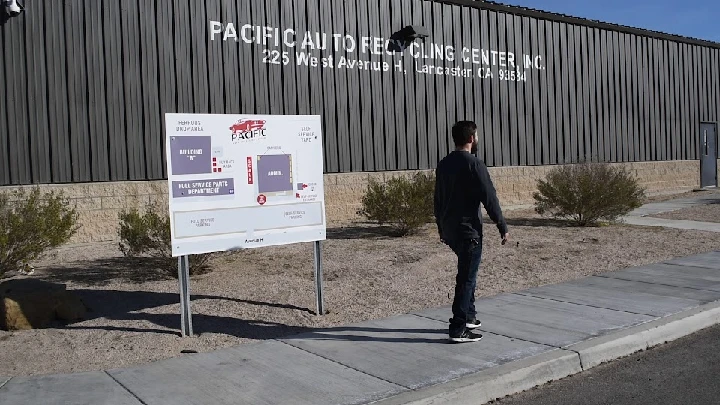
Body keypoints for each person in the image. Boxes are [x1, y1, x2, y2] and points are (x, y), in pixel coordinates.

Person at [434, 120, 509, 343]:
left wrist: (440, 226)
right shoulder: (474, 164)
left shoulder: (444, 163)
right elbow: (489, 197)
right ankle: (458, 328)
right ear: (471, 139)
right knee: (466, 278)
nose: (477, 139)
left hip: (450, 230)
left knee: (468, 273)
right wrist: (502, 225)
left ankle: (469, 316)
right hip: (468, 232)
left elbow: (437, 200)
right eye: (476, 136)